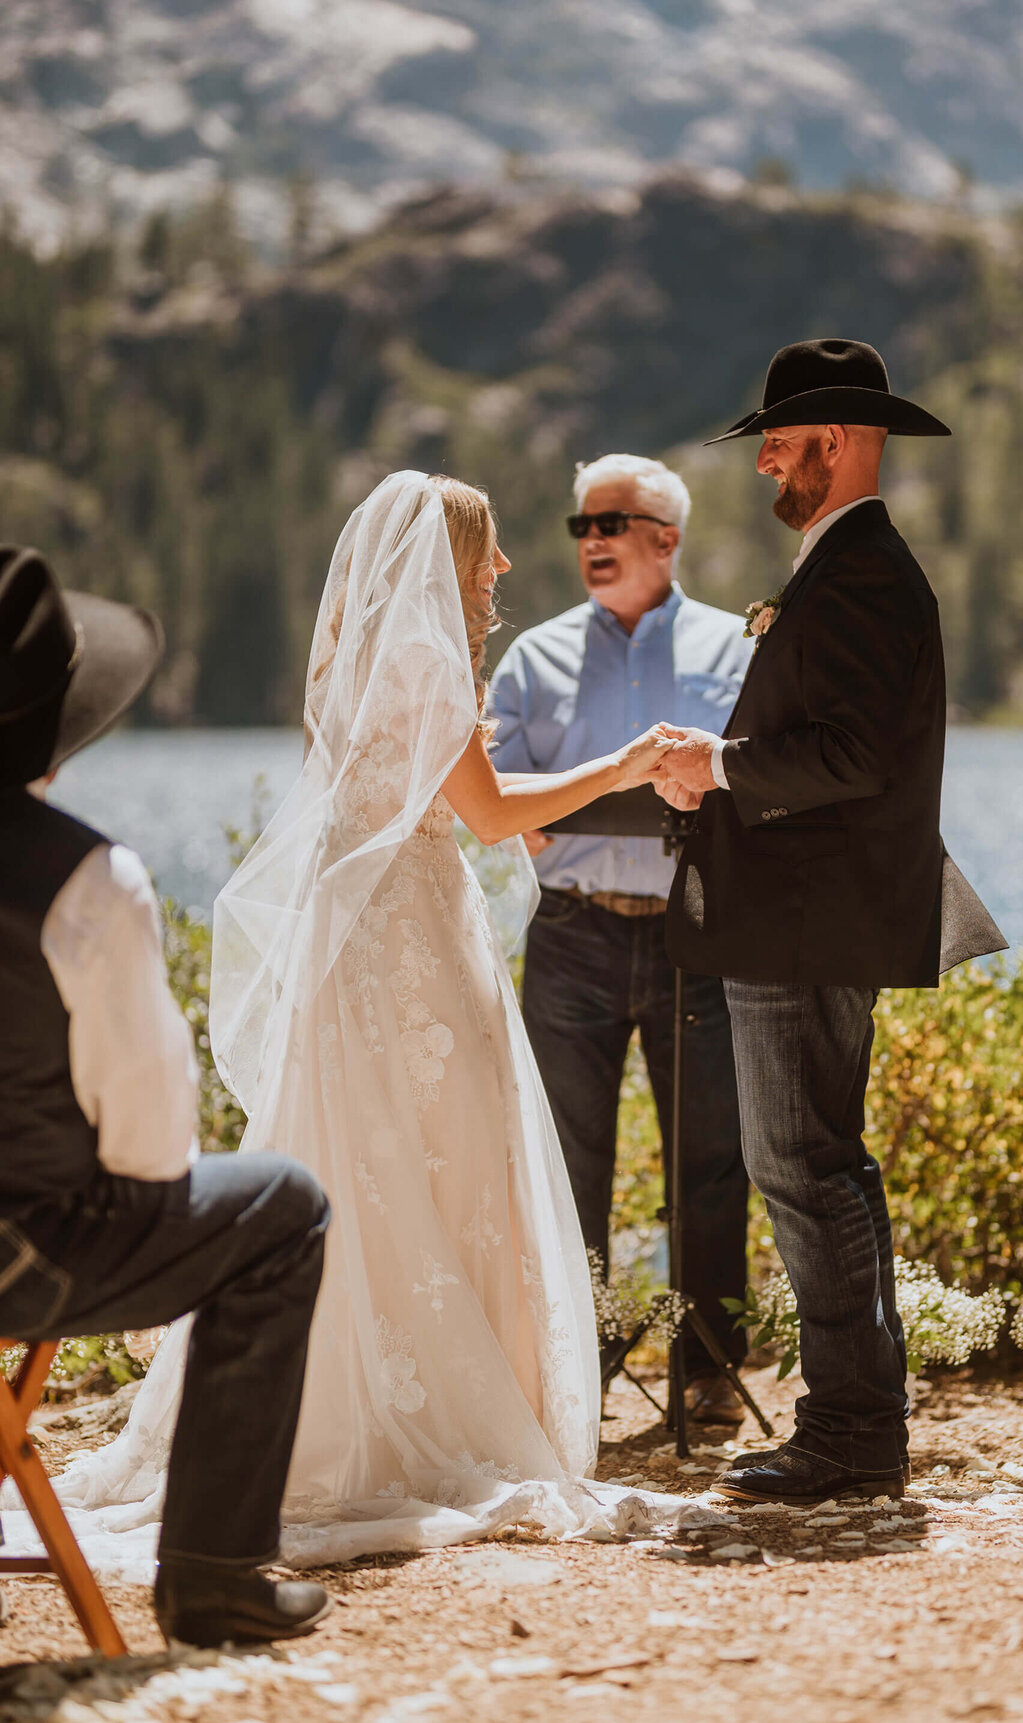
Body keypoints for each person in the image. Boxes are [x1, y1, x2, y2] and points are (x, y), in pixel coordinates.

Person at [56, 471, 700, 1566]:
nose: (499, 570)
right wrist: (627, 762)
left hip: (360, 950)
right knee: (432, 1163)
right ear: (445, 560)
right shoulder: (424, 661)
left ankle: (308, 1402)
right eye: (486, 550)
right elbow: (492, 815)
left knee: (369, 1159)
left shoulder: (361, 661)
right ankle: (410, 1423)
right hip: (412, 953)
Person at [649, 339, 1006, 1506]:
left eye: (781, 442)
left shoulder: (859, 572)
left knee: (801, 1166)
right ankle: (860, 1420)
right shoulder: (847, 565)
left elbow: (850, 756)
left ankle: (852, 1430)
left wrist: (718, 763)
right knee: (821, 1165)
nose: (764, 465)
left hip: (806, 924)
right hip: (804, 920)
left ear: (842, 442)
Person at [0, 546, 331, 1646]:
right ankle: (214, 1574)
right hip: (26, 1246)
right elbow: (147, 1158)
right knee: (284, 1206)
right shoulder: (86, 879)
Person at [489, 455, 752, 1425]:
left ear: (667, 540)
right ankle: (575, 1372)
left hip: (700, 932)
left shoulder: (738, 648)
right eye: (581, 525)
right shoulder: (531, 659)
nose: (591, 539)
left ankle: (712, 1367)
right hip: (572, 937)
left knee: (713, 1157)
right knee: (564, 1160)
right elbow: (511, 809)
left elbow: (749, 785)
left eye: (613, 521)